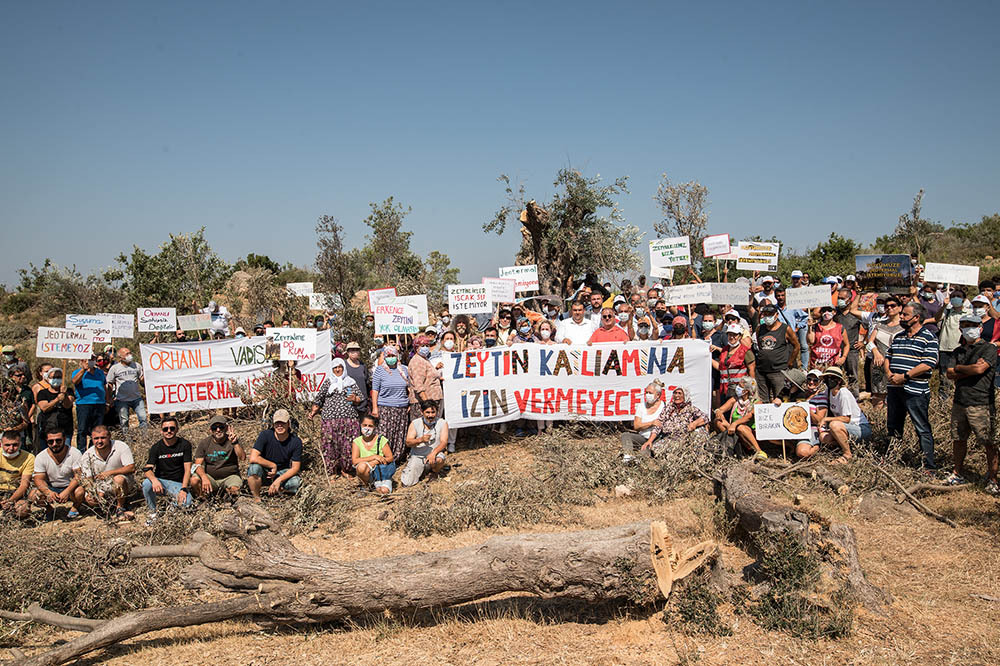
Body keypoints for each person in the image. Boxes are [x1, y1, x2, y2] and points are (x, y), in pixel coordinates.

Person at [944, 314, 998, 492]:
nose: (969, 328)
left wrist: (960, 369)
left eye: (972, 325)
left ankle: (992, 478)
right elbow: (950, 373)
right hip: (960, 401)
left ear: (980, 328)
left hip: (981, 402)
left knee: (988, 441)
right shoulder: (958, 351)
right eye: (965, 325)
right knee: (958, 438)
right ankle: (957, 472)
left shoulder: (988, 348)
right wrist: (968, 369)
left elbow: (981, 368)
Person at [885, 303, 939, 471]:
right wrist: (889, 373)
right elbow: (889, 355)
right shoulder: (899, 336)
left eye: (905, 315)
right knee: (894, 426)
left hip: (915, 390)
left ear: (916, 318)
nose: (901, 317)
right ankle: (892, 459)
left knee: (921, 427)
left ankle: (928, 466)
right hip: (895, 389)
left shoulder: (928, 337)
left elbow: (928, 364)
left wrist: (905, 376)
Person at [311, 359, 362, 479]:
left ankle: (346, 469)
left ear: (344, 368)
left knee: (348, 445)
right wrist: (313, 411)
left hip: (349, 419)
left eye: (340, 367)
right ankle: (332, 471)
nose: (338, 370)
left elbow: (360, 398)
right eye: (335, 368)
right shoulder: (328, 382)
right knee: (329, 445)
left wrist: (355, 398)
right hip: (330, 420)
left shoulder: (350, 382)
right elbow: (319, 398)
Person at [77, 425, 136, 518]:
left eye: (103, 438)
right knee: (90, 497)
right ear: (91, 439)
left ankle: (120, 507)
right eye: (96, 438)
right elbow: (88, 478)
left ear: (109, 437)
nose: (99, 441)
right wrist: (91, 493)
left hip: (123, 482)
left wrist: (110, 473)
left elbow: (131, 467)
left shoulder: (120, 446)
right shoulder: (87, 455)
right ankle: (103, 508)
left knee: (118, 479)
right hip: (102, 485)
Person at [142, 417, 193, 523]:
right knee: (147, 483)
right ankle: (153, 513)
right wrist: (155, 480)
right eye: (165, 429)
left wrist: (183, 489)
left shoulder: (185, 445)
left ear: (177, 429)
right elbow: (147, 469)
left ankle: (172, 507)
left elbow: (187, 469)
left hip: (178, 484)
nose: (169, 431)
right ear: (161, 431)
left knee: (187, 502)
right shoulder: (156, 447)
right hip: (162, 482)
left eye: (172, 428)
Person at [817, 367, 870, 464]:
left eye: (832, 378)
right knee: (824, 437)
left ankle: (847, 454)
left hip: (859, 427)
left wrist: (826, 419)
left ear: (839, 381)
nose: (829, 380)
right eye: (826, 378)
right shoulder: (829, 391)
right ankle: (847, 446)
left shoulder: (843, 394)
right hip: (846, 428)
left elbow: (846, 418)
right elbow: (817, 396)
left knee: (834, 425)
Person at [635, 387, 707, 457]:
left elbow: (705, 417)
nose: (676, 396)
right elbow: (658, 424)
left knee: (700, 432)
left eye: (679, 393)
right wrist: (649, 441)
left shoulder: (691, 409)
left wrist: (695, 423)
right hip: (670, 438)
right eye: (675, 393)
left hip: (685, 437)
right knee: (655, 449)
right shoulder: (668, 408)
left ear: (685, 396)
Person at [247, 409, 303, 500]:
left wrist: (279, 480)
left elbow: (295, 467)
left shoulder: (296, 441)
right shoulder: (265, 435)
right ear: (273, 424)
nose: (279, 426)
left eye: (283, 423)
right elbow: (253, 457)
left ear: (288, 424)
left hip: (282, 472)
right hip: (265, 471)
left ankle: (276, 489)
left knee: (296, 483)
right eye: (277, 423)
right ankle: (256, 498)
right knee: (254, 468)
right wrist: (272, 465)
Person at [30, 429, 84, 519]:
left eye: (58, 440)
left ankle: (75, 508)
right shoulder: (41, 456)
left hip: (70, 487)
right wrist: (48, 492)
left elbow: (78, 476)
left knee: (80, 491)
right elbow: (38, 479)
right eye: (51, 441)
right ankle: (49, 509)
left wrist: (67, 491)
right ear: (46, 441)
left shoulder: (74, 453)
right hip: (52, 487)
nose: (55, 444)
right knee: (33, 494)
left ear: (64, 439)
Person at [370, 347, 410, 463]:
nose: (391, 358)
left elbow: (409, 388)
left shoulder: (404, 370)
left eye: (393, 356)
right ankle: (382, 460)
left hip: (401, 408)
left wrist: (409, 403)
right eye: (388, 356)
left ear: (397, 356)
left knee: (399, 435)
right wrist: (374, 407)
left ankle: (395, 460)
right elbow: (375, 390)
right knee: (385, 434)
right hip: (385, 408)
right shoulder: (380, 370)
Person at [754, 302, 801, 402]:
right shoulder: (760, 329)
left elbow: (796, 346)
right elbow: (760, 345)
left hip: (779, 371)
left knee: (780, 399)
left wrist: (791, 361)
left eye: (770, 315)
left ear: (776, 315)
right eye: (765, 314)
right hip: (762, 371)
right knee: (763, 400)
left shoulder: (785, 329)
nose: (767, 317)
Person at [190, 415, 245, 499]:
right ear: (210, 430)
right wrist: (204, 477)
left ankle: (229, 498)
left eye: (221, 427)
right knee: (194, 480)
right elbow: (197, 465)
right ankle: (203, 499)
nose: (218, 430)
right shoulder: (205, 443)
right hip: (211, 478)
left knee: (235, 490)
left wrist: (235, 443)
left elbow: (242, 458)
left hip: (230, 476)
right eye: (214, 428)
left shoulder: (232, 440)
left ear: (226, 428)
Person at [713, 376, 766, 461]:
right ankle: (730, 447)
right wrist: (719, 413)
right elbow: (722, 409)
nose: (737, 388)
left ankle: (758, 451)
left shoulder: (757, 402)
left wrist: (734, 424)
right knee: (718, 422)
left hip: (749, 432)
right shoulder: (735, 399)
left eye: (740, 386)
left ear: (746, 391)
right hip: (734, 430)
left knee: (741, 427)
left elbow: (748, 417)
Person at [866, 294, 904, 408]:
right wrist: (875, 352)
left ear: (900, 308)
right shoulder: (879, 324)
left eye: (893, 306)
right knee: (878, 396)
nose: (889, 308)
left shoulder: (905, 326)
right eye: (887, 306)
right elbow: (870, 342)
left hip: (897, 364)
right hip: (878, 364)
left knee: (896, 396)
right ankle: (877, 422)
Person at [400, 401, 448, 487]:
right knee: (407, 483)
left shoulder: (442, 423)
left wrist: (433, 453)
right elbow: (408, 442)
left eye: (433, 412)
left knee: (439, 460)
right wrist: (420, 440)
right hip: (418, 455)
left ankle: (434, 472)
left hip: (435, 454)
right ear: (422, 412)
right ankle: (422, 470)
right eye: (427, 412)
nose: (430, 415)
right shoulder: (415, 423)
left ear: (437, 412)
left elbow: (444, 442)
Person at [106, 347, 148, 437]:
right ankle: (127, 440)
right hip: (122, 400)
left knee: (143, 418)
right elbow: (110, 383)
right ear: (121, 357)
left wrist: (145, 375)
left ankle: (144, 438)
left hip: (137, 398)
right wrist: (109, 398)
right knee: (124, 421)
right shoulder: (115, 368)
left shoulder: (137, 365)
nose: (130, 355)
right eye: (127, 354)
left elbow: (141, 380)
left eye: (130, 353)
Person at [69, 355, 108, 451]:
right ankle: (81, 451)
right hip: (84, 404)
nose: (91, 361)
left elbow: (104, 386)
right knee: (82, 429)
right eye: (89, 359)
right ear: (83, 360)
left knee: (97, 429)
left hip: (100, 404)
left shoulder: (100, 373)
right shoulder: (77, 372)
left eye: (93, 359)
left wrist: (107, 401)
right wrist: (83, 369)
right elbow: (75, 381)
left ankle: (93, 450)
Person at [621, 380, 666, 461]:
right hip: (642, 437)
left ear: (658, 395)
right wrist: (651, 423)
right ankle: (628, 456)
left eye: (650, 393)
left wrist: (650, 440)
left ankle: (640, 461)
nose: (647, 395)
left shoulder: (664, 407)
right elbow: (636, 426)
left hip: (656, 439)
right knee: (625, 435)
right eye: (646, 392)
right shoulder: (641, 406)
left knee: (644, 452)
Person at [352, 414, 396, 494]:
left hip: (381, 473)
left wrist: (375, 462)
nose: (367, 428)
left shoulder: (381, 440)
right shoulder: (357, 441)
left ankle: (378, 484)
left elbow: (390, 458)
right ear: (360, 425)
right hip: (367, 472)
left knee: (384, 492)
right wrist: (374, 457)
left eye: (370, 426)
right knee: (361, 466)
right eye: (365, 425)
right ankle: (366, 485)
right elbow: (355, 461)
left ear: (375, 427)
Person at [35, 367, 76, 451]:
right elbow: (44, 408)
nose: (56, 379)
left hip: (65, 429)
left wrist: (64, 395)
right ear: (48, 379)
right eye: (53, 377)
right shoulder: (42, 393)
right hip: (47, 429)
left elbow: (68, 405)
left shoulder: (69, 391)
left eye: (58, 377)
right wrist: (57, 399)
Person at [716, 324, 756, 402]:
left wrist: (752, 389)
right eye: (730, 335)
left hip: (740, 390)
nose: (732, 337)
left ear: (740, 336)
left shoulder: (745, 351)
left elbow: (752, 370)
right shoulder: (724, 350)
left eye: (735, 335)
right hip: (725, 390)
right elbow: (720, 367)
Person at [0, 430, 33, 520]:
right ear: (1, 444)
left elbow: (24, 485)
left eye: (15, 445)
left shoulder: (29, 458)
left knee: (22, 509)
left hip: (14, 492)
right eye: (7, 445)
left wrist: (10, 501)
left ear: (20, 444)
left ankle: (12, 516)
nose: (11, 448)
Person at [808, 305, 847, 369]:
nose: (826, 313)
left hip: (833, 364)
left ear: (834, 312)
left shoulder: (840, 328)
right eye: (824, 311)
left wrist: (843, 357)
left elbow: (846, 345)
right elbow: (811, 341)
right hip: (817, 363)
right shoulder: (815, 327)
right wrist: (809, 327)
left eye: (829, 310)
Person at [342, 342, 371, 417]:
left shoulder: (362, 365)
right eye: (352, 350)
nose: (354, 352)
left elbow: (367, 382)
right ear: (347, 352)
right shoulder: (343, 365)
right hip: (348, 405)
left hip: (362, 405)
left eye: (357, 350)